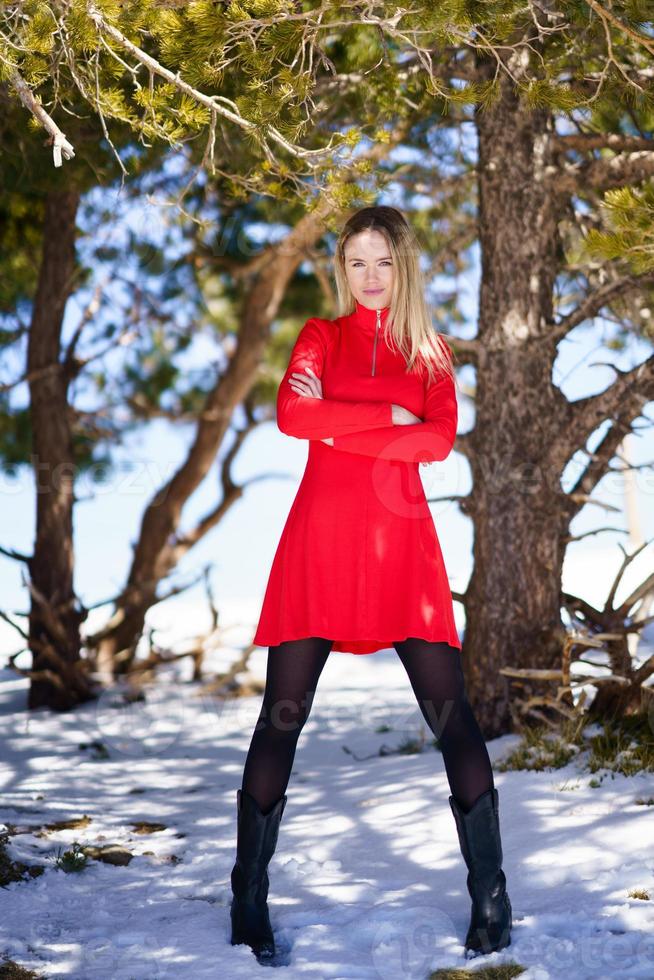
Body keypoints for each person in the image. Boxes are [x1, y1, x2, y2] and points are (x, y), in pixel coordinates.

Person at [229, 206, 512, 963]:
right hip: (317, 549)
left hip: (402, 554)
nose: (369, 276)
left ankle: (492, 897)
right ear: (341, 268)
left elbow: (438, 439)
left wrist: (345, 421)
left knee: (454, 719)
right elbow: (292, 413)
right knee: (280, 719)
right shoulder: (320, 337)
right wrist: (386, 417)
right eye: (355, 261)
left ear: (404, 264)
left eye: (382, 261)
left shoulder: (430, 351)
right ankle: (247, 901)